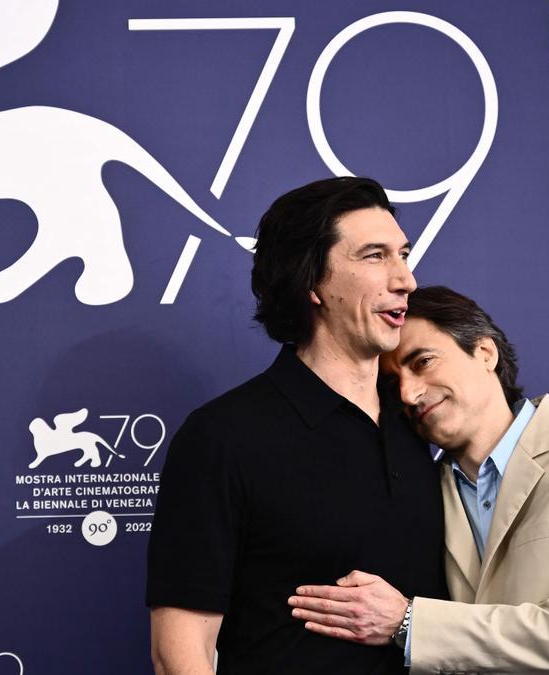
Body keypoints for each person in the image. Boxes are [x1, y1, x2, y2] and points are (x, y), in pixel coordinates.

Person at [288, 286, 549, 674]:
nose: (409, 393)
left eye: (422, 362)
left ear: (485, 352)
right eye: (392, 385)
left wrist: (407, 621)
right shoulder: (420, 490)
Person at [146, 177, 447, 674]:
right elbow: (180, 651)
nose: (405, 280)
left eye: (404, 254)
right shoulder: (223, 437)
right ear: (312, 282)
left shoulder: (423, 421)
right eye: (374, 256)